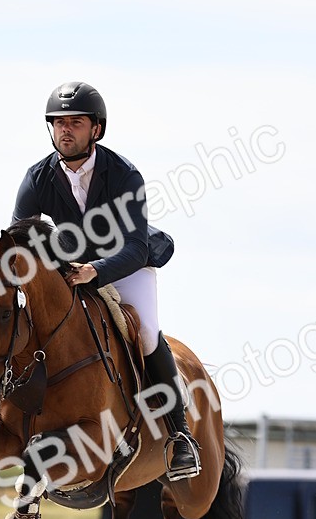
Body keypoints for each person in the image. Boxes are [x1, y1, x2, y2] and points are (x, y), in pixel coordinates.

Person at [12, 80, 201, 481]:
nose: (65, 130)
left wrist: (95, 271)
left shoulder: (123, 174)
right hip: (72, 269)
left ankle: (180, 434)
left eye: (75, 123)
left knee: (146, 333)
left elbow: (135, 246)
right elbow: (19, 241)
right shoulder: (38, 177)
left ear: (96, 128)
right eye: (58, 123)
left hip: (125, 266)